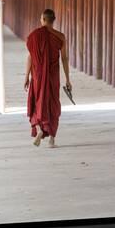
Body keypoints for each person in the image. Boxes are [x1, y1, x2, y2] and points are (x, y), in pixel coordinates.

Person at [24, 9, 71, 148]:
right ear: (53, 20)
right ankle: (51, 139)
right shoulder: (60, 37)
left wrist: (27, 76)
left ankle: (39, 129)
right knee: (52, 103)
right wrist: (68, 79)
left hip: (37, 76)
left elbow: (30, 57)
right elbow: (64, 59)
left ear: (43, 19)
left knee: (38, 101)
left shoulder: (33, 36)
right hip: (52, 76)